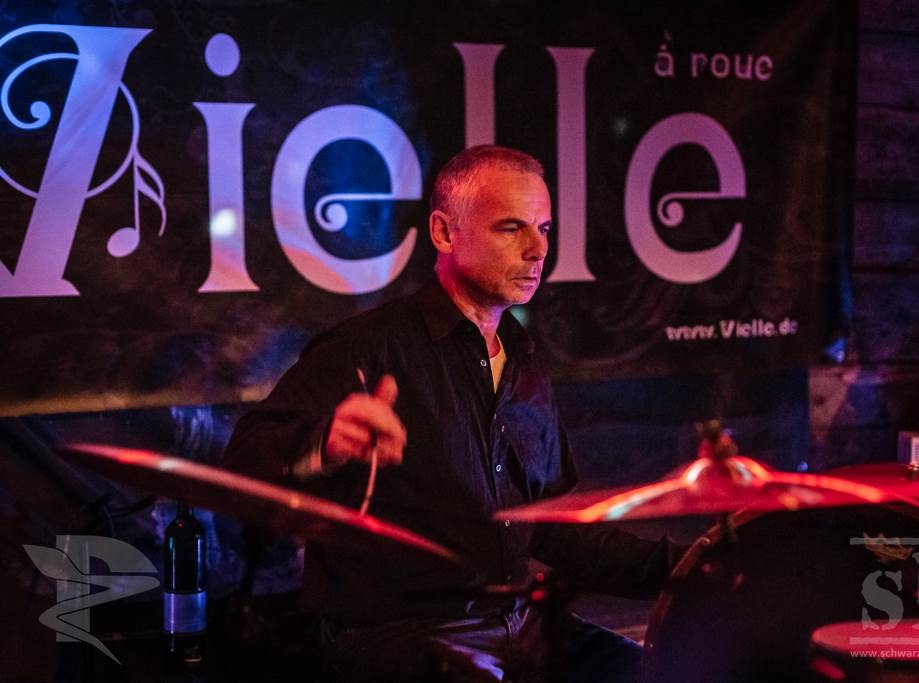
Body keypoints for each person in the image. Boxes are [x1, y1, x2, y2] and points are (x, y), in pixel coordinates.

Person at [223, 145, 683, 682]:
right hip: (402, 638)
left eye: (544, 228)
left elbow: (551, 528)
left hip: (518, 626)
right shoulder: (368, 348)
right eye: (511, 228)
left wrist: (695, 566)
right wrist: (324, 445)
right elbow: (243, 458)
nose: (538, 249)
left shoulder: (524, 360)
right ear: (444, 233)